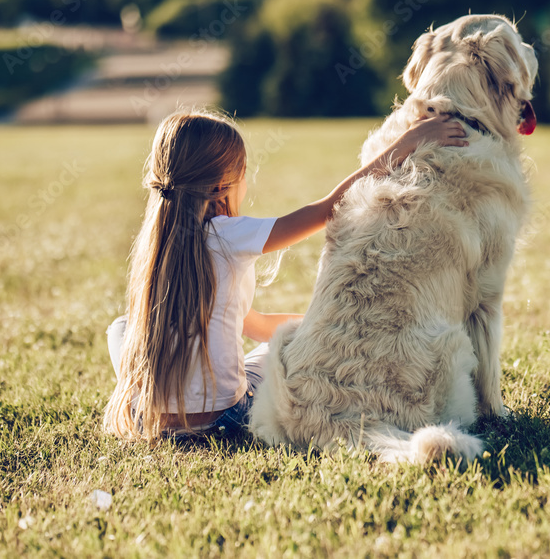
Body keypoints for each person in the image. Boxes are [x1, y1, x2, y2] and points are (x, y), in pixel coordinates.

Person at [102, 108, 466, 441]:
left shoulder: (156, 245)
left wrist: (319, 323)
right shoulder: (227, 234)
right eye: (241, 176)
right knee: (277, 353)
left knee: (121, 328)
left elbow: (254, 323)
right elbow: (328, 208)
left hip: (147, 418)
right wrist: (407, 143)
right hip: (224, 419)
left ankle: (151, 400)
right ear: (219, 188)